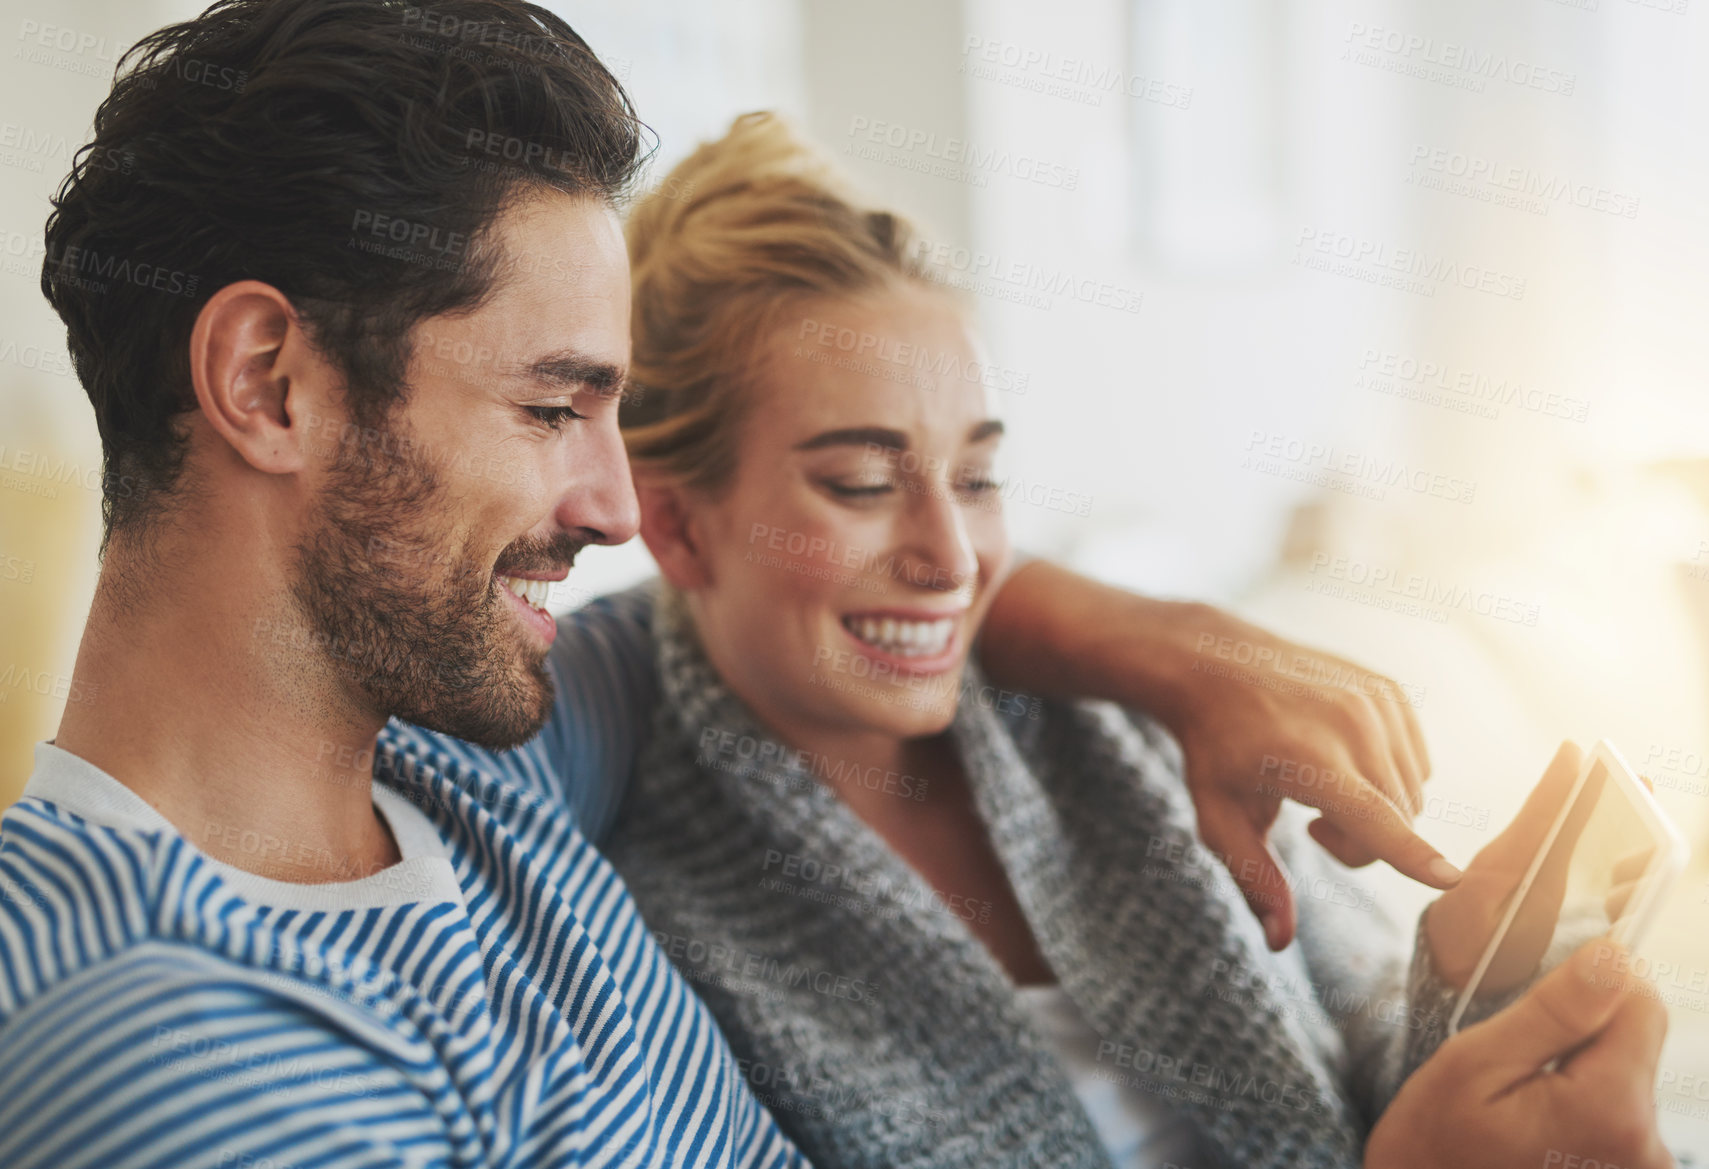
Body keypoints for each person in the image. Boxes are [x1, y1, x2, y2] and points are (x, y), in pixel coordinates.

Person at [0, 3, 1462, 1167]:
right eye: (548, 407)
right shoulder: (160, 1044)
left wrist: (1185, 649)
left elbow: (815, 607)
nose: (619, 508)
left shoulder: (467, 759)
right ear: (271, 384)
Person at [593, 112, 1678, 1169]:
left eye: (977, 478)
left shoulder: (1117, 719)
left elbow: (1366, 1052)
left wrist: (1462, 983)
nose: (955, 556)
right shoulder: (651, 927)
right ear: (677, 524)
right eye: (862, 485)